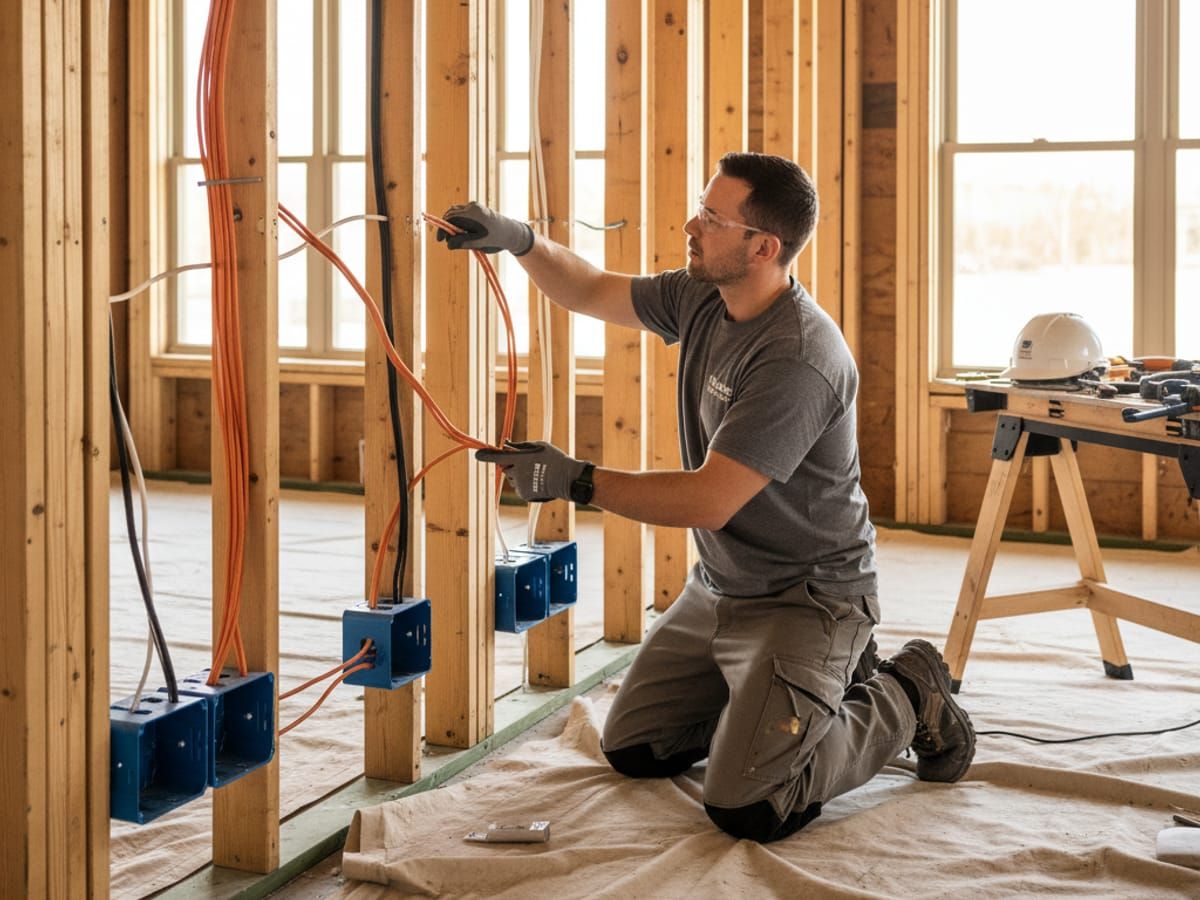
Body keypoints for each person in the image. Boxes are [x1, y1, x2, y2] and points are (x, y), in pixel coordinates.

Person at [438, 151, 975, 843]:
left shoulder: (798, 356)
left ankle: (906, 689)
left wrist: (576, 480)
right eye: (702, 206)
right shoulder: (704, 296)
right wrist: (520, 239)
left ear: (763, 247)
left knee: (748, 806)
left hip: (809, 595)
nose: (692, 224)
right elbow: (592, 288)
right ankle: (783, 697)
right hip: (721, 587)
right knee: (635, 750)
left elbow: (709, 500)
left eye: (714, 218)